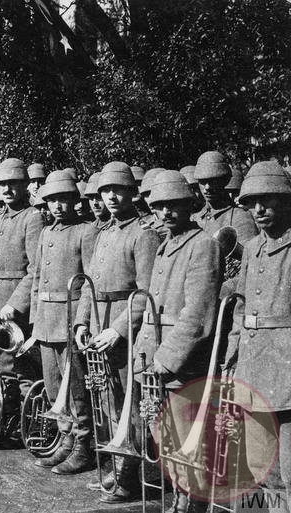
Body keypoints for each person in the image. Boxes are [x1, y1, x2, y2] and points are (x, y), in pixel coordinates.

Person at [133, 169, 223, 512]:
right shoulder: (165, 245)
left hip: (182, 364)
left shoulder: (202, 245)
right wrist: (147, 355)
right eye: (159, 207)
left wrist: (165, 359)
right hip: (156, 358)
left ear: (189, 206)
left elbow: (198, 317)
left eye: (174, 206)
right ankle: (179, 502)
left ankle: (190, 506)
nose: (166, 213)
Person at [74, 162, 161, 498]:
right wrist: (83, 321)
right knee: (107, 402)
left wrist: (119, 329)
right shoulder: (104, 232)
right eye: (105, 191)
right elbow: (88, 285)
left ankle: (130, 477)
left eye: (118, 190)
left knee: (130, 403)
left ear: (132, 193)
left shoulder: (144, 234)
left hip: (127, 328)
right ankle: (115, 467)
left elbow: (146, 292)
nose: (110, 196)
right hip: (98, 321)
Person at [19, 170, 98, 475]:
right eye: (52, 201)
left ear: (74, 201)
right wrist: (35, 323)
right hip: (46, 321)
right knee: (55, 388)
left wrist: (82, 322)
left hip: (70, 318)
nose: (57, 206)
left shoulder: (87, 231)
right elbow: (37, 279)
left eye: (63, 200)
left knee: (75, 388)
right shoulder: (46, 233)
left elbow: (91, 283)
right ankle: (64, 441)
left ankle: (82, 446)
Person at [227, 161, 291, 511]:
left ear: (286, 201)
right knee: (265, 469)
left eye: (268, 200)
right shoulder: (251, 249)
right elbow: (240, 310)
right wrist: (232, 358)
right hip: (253, 371)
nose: (259, 209)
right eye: (252, 202)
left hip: (287, 376)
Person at [0, 157, 45, 393]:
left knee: (20, 367)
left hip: (15, 306)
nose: (7, 189)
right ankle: (3, 417)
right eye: (2, 184)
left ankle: (25, 421)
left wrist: (14, 304)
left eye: (13, 183)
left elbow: (36, 269)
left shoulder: (32, 217)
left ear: (25, 185)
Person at [193, 150, 258, 244]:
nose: (207, 187)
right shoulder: (195, 218)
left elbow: (248, 255)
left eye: (213, 181)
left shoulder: (240, 217)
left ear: (225, 180)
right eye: (203, 181)